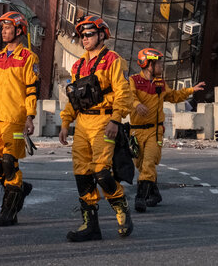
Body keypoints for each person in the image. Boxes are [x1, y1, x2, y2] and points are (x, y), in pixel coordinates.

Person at [58, 15, 135, 242]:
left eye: (89, 34)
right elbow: (73, 98)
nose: (85, 39)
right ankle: (90, 225)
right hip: (82, 123)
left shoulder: (113, 60)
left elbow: (123, 93)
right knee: (82, 174)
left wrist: (116, 119)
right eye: (82, 35)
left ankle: (120, 206)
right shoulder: (78, 65)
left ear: (102, 35)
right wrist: (65, 123)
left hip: (104, 121)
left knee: (102, 172)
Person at [0, 11, 38, 226]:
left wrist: (30, 116)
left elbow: (32, 89)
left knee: (9, 162)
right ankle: (18, 188)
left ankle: (8, 212)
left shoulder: (29, 58)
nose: (3, 31)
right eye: (2, 28)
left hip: (16, 118)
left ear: (19, 30)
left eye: (8, 28)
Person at [128, 48, 205, 212]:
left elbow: (174, 96)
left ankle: (140, 198)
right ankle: (155, 194)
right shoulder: (134, 81)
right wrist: (137, 105)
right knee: (141, 165)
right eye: (158, 63)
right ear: (149, 64)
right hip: (135, 132)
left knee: (148, 163)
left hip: (154, 131)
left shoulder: (161, 84)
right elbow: (129, 97)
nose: (161, 66)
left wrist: (191, 90)